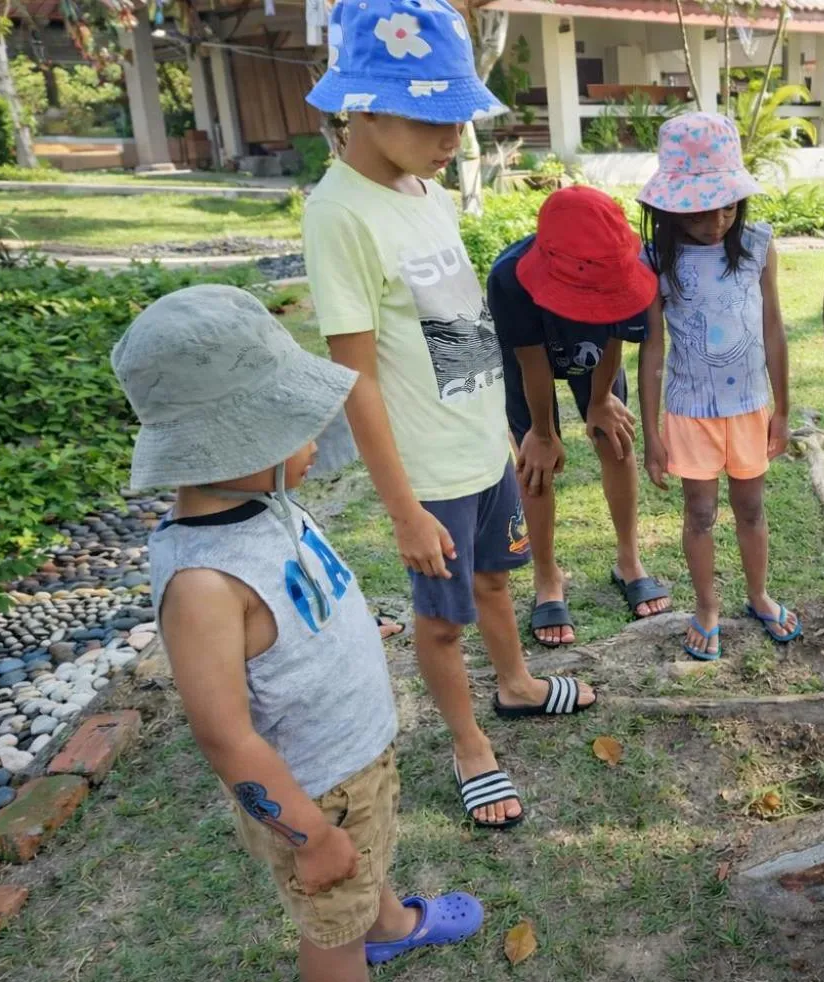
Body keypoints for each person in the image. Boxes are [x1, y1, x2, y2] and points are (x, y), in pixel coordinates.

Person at [119, 285, 483, 982]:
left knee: (366, 861)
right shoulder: (202, 586)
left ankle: (388, 926)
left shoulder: (262, 500)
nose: (314, 438)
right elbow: (225, 734)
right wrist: (310, 836)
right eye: (291, 425)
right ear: (233, 446)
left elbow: (294, 606)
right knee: (329, 923)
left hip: (353, 762)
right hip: (313, 796)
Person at [302, 0, 594, 831]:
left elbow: (460, 321)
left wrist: (498, 427)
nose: (453, 136)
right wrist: (401, 509)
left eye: (458, 116)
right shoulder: (339, 215)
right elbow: (354, 380)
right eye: (434, 114)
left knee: (498, 579)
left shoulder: (423, 188)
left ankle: (516, 686)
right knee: (439, 621)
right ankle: (469, 744)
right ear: (363, 104)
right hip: (427, 475)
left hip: (481, 446)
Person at [636, 113, 799, 660]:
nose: (718, 221)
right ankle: (707, 606)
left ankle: (759, 594)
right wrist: (653, 433)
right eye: (704, 210)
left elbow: (773, 329)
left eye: (729, 205)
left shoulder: (756, 245)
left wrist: (782, 408)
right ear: (672, 207)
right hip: (690, 411)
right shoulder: (658, 259)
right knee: (700, 512)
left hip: (750, 406)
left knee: (752, 508)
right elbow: (653, 347)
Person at [485, 187, 672, 647]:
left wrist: (601, 399)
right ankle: (548, 577)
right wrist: (544, 433)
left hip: (596, 359)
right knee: (535, 465)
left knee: (616, 439)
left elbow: (615, 337)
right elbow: (531, 361)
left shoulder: (630, 268)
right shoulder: (510, 279)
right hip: (531, 361)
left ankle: (629, 560)